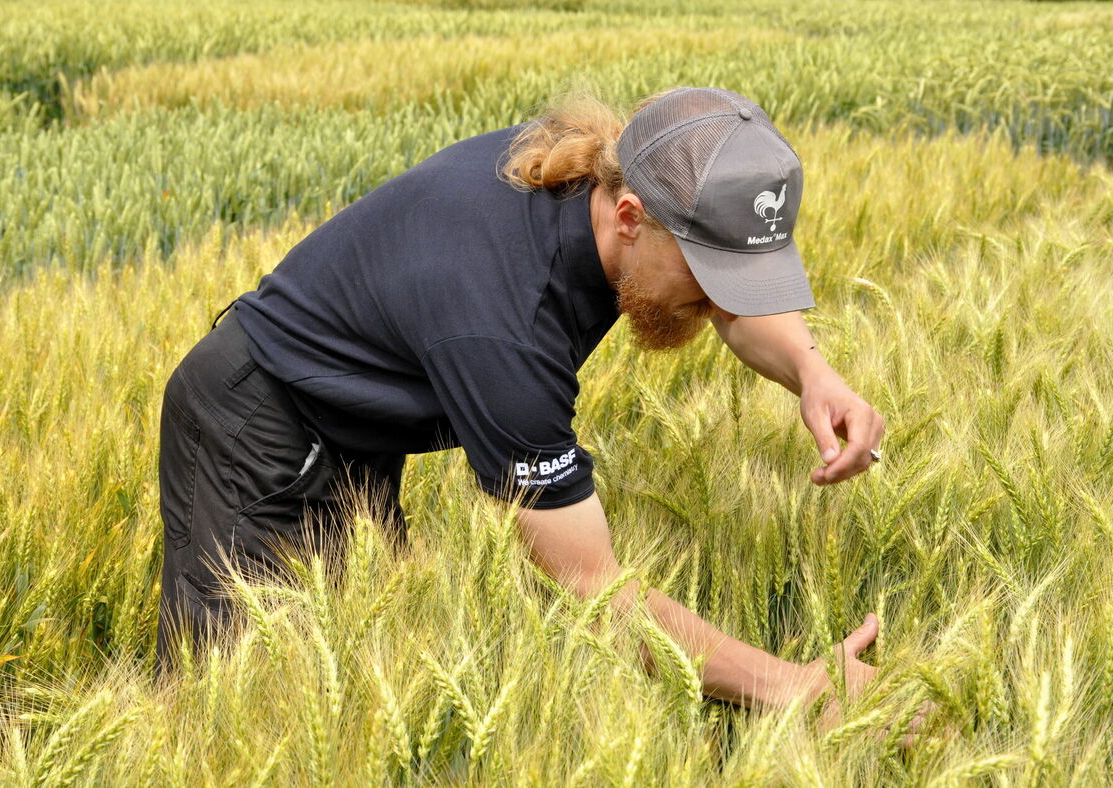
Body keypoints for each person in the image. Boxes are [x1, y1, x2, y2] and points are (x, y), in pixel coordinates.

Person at [154, 86, 887, 720]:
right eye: (710, 274)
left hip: (353, 423)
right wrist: (797, 689)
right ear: (630, 216)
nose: (724, 304)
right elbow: (593, 591)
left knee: (345, 669)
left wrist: (811, 373)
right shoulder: (506, 327)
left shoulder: (600, 171)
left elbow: (733, 304)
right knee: (234, 693)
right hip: (259, 424)